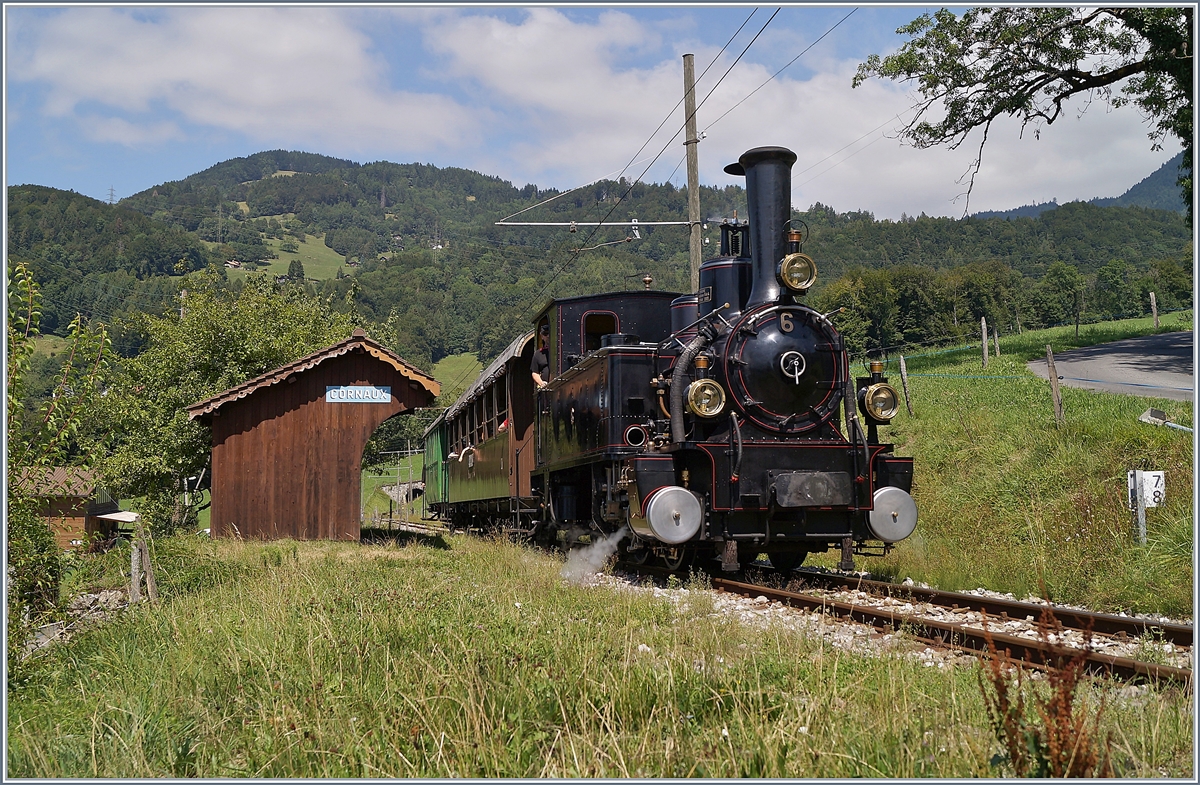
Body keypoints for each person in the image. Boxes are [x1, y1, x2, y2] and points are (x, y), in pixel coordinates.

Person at [530, 324, 550, 388]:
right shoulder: (538, 354)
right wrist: (541, 383)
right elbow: (535, 372)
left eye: (549, 333)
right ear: (542, 336)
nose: (548, 336)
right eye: (546, 334)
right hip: (545, 388)